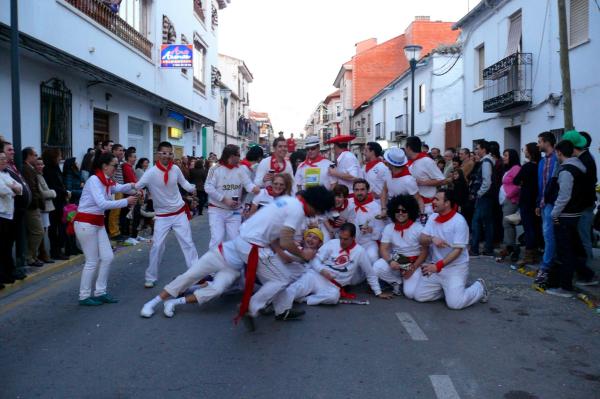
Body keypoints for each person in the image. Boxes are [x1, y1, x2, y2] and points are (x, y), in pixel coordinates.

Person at [277, 223, 392, 313]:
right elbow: (315, 260)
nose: (342, 241)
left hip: (334, 286)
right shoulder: (332, 243)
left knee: (333, 297)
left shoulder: (360, 252)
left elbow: (370, 273)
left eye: (346, 239)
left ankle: (303, 299)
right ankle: (275, 306)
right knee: (294, 289)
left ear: (353, 237)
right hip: (317, 276)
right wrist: (323, 270)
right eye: (341, 238)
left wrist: (378, 292)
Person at [74, 152, 138, 305]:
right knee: (92, 260)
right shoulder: (94, 180)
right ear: (104, 166)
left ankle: (100, 292)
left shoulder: (107, 180)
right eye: (115, 165)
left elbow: (120, 187)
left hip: (97, 223)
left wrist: (135, 185)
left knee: (108, 257)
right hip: (86, 223)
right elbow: (102, 204)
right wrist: (126, 201)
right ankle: (83, 296)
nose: (117, 168)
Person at [409, 189, 488, 309]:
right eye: (433, 198)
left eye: (437, 199)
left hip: (455, 268)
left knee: (455, 304)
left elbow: (458, 251)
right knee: (419, 296)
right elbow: (422, 239)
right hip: (436, 267)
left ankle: (479, 287)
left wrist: (438, 266)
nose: (433, 201)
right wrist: (432, 239)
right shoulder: (433, 217)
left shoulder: (459, 221)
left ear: (447, 203)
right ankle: (449, 291)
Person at [135, 142, 199, 288]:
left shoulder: (175, 169)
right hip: (162, 216)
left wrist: (193, 189)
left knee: (187, 243)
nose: (167, 156)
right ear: (158, 154)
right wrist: (118, 188)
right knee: (157, 246)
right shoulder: (150, 173)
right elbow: (137, 186)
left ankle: (195, 273)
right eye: (164, 153)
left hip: (179, 213)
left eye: (170, 153)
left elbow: (185, 184)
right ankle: (150, 276)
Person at [546, 140, 596, 297]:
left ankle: (565, 287)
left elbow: (564, 195)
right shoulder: (580, 167)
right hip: (575, 213)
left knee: (565, 252)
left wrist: (554, 213)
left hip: (565, 215)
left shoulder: (567, 170)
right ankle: (586, 274)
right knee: (574, 249)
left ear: (559, 153)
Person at [247, 228, 324, 322]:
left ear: (319, 243)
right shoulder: (297, 246)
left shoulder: (311, 252)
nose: (311, 239)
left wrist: (275, 246)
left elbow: (287, 258)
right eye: (309, 236)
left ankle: (257, 306)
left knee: (277, 286)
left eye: (315, 238)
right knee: (275, 286)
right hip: (275, 267)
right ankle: (265, 307)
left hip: (286, 272)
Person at [204, 145, 260, 248]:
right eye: (238, 155)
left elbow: (248, 184)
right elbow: (208, 187)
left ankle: (231, 263)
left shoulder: (240, 169)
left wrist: (256, 189)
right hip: (217, 210)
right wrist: (224, 199)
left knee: (236, 240)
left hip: (235, 211)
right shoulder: (215, 169)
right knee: (217, 239)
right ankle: (213, 263)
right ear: (231, 156)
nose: (240, 157)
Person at [373, 194, 428, 296]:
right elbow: (383, 249)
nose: (400, 213)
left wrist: (413, 268)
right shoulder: (389, 227)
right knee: (377, 267)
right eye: (397, 211)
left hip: (414, 263)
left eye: (404, 211)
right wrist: (390, 261)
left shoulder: (418, 228)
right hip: (396, 260)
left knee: (410, 293)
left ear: (410, 212)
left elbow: (424, 251)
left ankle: (410, 280)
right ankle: (397, 282)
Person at [564, 130, 597, 262]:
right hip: (583, 205)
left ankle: (588, 271)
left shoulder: (585, 160)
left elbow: (584, 186)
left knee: (583, 238)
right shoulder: (585, 158)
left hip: (583, 206)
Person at [535, 132, 559, 285]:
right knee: (547, 235)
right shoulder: (542, 162)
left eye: (539, 142)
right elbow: (541, 185)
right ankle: (549, 263)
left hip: (553, 204)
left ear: (546, 142)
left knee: (549, 235)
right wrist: (538, 203)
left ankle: (546, 266)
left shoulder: (558, 159)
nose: (538, 145)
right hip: (544, 204)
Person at [513, 143, 540, 267]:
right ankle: (535, 252)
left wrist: (523, 183)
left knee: (528, 228)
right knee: (535, 227)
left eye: (525, 149)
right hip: (537, 199)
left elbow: (516, 180)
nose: (524, 151)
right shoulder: (541, 165)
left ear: (530, 152)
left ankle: (529, 255)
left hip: (526, 199)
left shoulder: (528, 166)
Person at [0, 149, 23, 289]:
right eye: (1, 159)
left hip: (9, 215)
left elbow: (19, 187)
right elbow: (3, 190)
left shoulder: (6, 174)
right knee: (1, 247)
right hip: (1, 215)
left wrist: (13, 187)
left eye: (4, 159)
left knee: (7, 246)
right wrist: (13, 188)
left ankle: (8, 273)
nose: (4, 161)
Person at [405, 136, 445, 216]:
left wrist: (421, 182)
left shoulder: (427, 161)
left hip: (427, 207)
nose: (404, 150)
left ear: (408, 148)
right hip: (413, 204)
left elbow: (441, 180)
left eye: (405, 147)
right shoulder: (409, 162)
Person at [469, 140, 496, 257]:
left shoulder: (486, 162)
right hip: (487, 197)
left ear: (484, 150)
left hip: (484, 197)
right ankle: (487, 248)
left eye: (478, 148)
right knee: (487, 223)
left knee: (476, 222)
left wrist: (479, 193)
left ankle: (475, 249)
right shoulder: (487, 161)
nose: (476, 151)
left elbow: (486, 181)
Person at [349, 179, 385, 263]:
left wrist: (371, 230)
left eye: (362, 189)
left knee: (372, 257)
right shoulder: (349, 204)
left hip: (369, 242)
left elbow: (381, 230)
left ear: (367, 190)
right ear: (353, 191)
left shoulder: (375, 207)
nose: (359, 193)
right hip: (351, 243)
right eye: (356, 190)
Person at [42, 148, 69, 261]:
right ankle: (55, 251)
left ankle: (59, 249)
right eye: (58, 156)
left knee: (62, 227)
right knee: (54, 229)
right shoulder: (47, 170)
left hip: (61, 201)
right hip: (54, 203)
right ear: (53, 157)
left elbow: (61, 182)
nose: (60, 158)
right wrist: (65, 192)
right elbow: (53, 186)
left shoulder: (56, 168)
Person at [379, 147, 422, 216]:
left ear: (391, 164)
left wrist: (421, 216)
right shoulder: (388, 173)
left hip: (404, 216)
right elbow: (384, 190)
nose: (385, 162)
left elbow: (418, 200)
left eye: (386, 161)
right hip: (392, 213)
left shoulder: (408, 180)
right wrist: (383, 208)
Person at [21, 147, 46, 267]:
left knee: (35, 232)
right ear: (29, 156)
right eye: (35, 155)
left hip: (33, 205)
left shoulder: (30, 168)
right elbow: (32, 188)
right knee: (38, 232)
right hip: (31, 206)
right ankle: (29, 257)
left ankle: (32, 256)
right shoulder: (26, 169)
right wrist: (38, 202)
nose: (36, 157)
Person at [497, 149, 521, 262]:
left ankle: (512, 247)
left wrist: (509, 196)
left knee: (507, 223)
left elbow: (518, 184)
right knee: (506, 224)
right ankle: (509, 246)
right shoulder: (509, 169)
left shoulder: (516, 168)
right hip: (506, 200)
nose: (504, 157)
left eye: (506, 155)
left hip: (511, 200)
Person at [35, 158, 56, 264]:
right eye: (38, 164)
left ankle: (43, 253)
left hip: (45, 207)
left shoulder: (41, 175)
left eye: (42, 164)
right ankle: (42, 254)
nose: (41, 166)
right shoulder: (37, 177)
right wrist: (53, 193)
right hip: (42, 207)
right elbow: (42, 193)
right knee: (41, 231)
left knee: (44, 230)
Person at [107, 144, 125, 241]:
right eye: (119, 150)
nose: (121, 152)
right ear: (113, 151)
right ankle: (114, 233)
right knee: (114, 212)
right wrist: (116, 184)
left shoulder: (120, 161)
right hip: (115, 188)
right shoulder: (113, 161)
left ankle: (117, 231)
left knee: (118, 212)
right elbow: (112, 175)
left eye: (122, 150)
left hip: (120, 188)